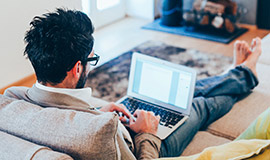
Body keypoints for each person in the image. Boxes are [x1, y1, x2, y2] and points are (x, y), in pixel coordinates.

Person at [4, 8, 262, 159]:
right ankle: (244, 72)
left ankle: (237, 72)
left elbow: (56, 119)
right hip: (145, 143)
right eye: (91, 59)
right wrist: (148, 132)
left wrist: (94, 112)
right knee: (201, 106)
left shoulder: (11, 99)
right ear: (77, 68)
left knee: (187, 93)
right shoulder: (99, 133)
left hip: (109, 123)